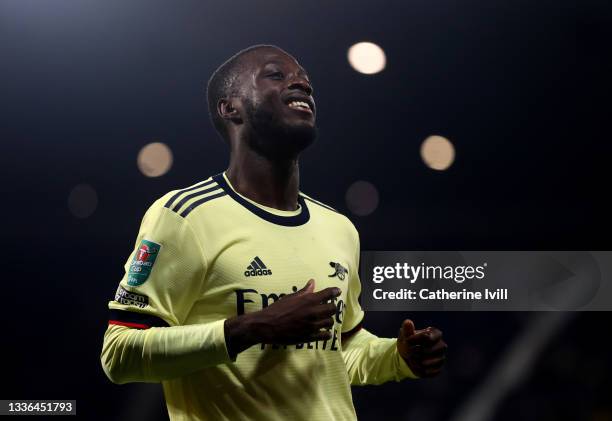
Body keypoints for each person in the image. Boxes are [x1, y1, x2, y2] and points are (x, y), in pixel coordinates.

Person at [101, 44, 447, 421]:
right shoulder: (185, 216)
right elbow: (120, 354)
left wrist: (397, 357)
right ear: (230, 107)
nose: (302, 83)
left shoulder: (339, 228)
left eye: (305, 79)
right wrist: (250, 328)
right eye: (276, 75)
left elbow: (340, 350)